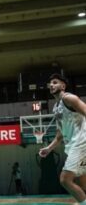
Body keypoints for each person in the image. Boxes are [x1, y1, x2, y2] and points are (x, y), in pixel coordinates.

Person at [39, 73, 86, 204]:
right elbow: (59, 135)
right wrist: (48, 149)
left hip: (81, 143)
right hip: (72, 145)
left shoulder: (69, 98)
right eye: (50, 84)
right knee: (81, 183)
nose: (51, 85)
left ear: (63, 86)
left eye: (55, 82)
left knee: (65, 180)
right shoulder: (56, 108)